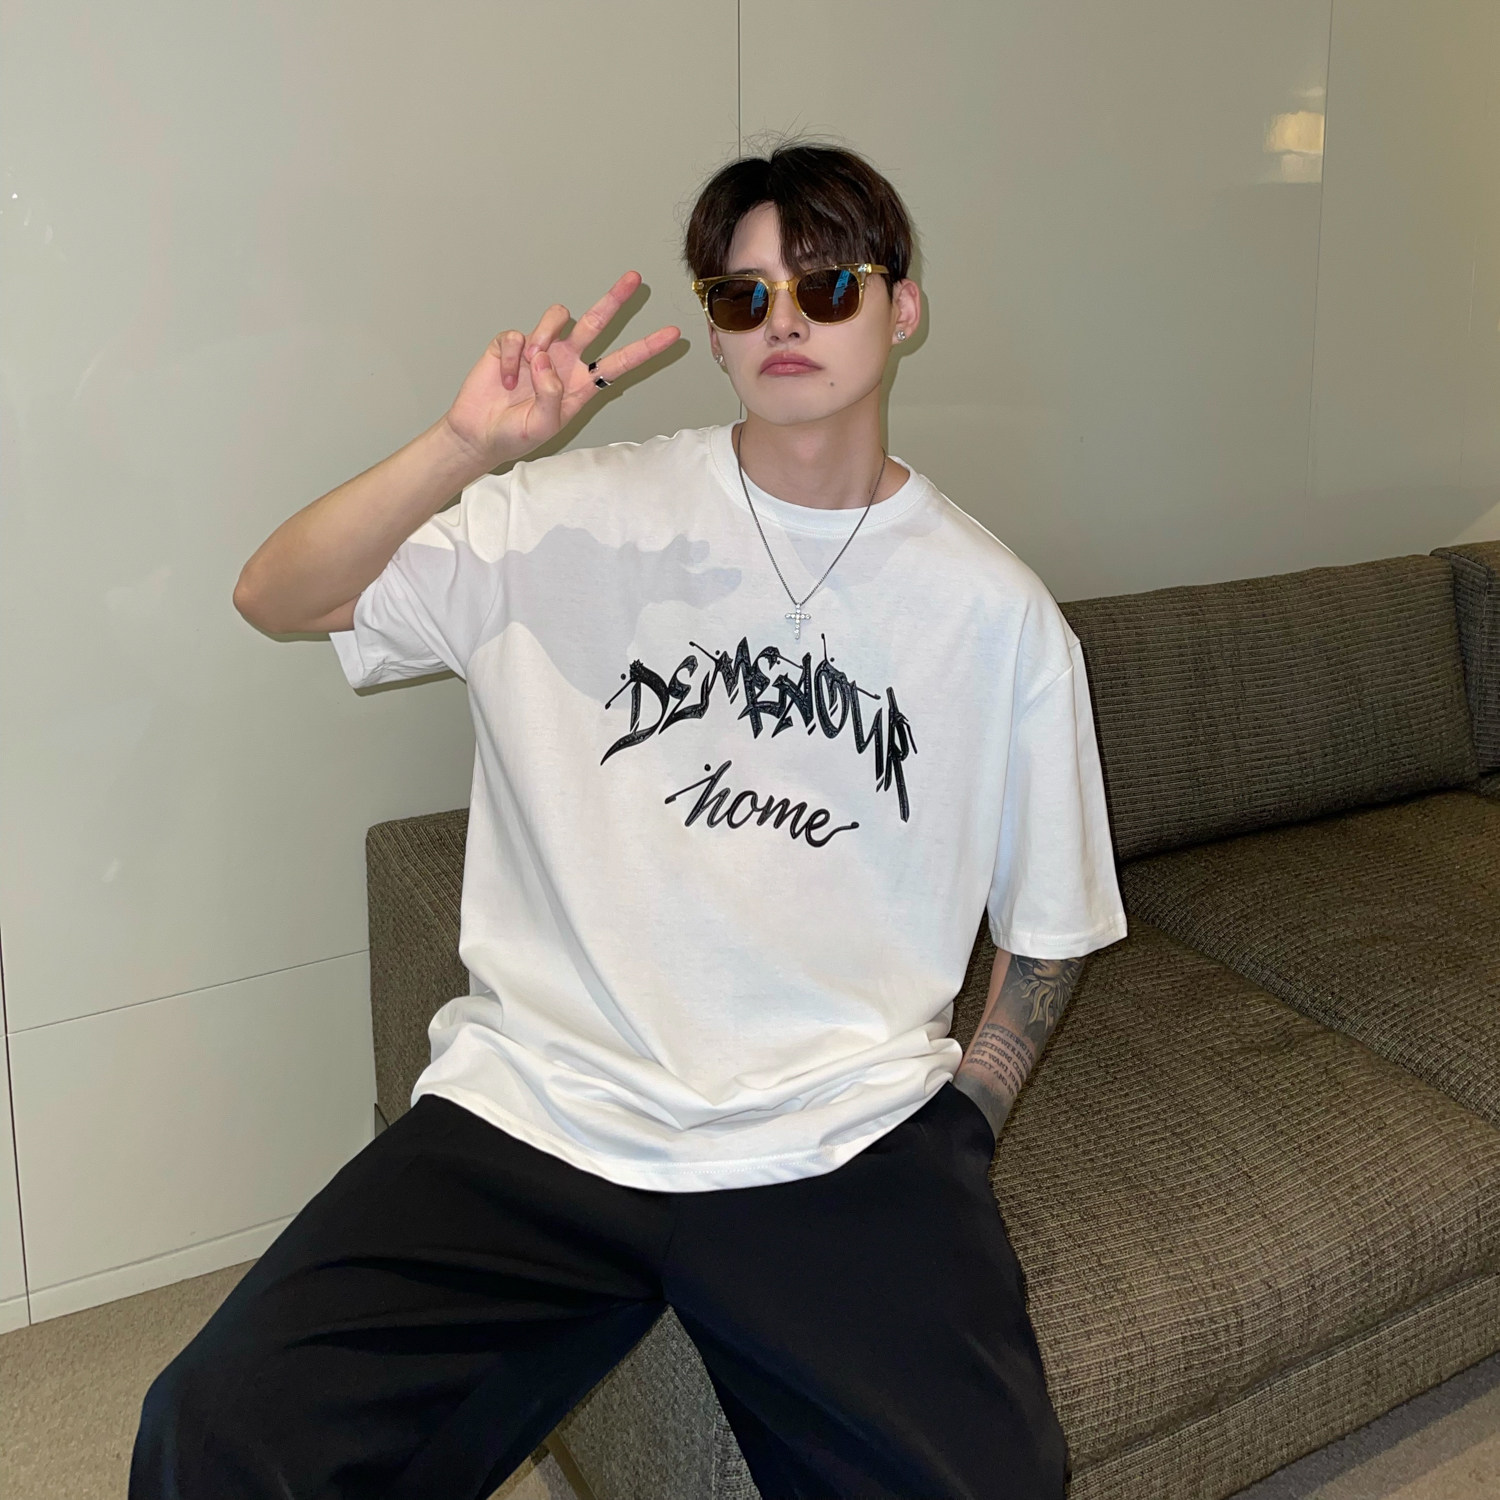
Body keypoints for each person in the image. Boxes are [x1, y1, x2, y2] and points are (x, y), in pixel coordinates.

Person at [131, 138, 1126, 1500]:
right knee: (215, 1432)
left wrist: (961, 1126)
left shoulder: (995, 614)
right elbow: (276, 597)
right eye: (745, 295)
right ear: (713, 330)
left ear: (903, 308)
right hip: (540, 1111)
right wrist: (463, 448)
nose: (785, 321)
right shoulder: (563, 519)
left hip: (833, 1138)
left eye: (829, 286)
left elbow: (1050, 926)